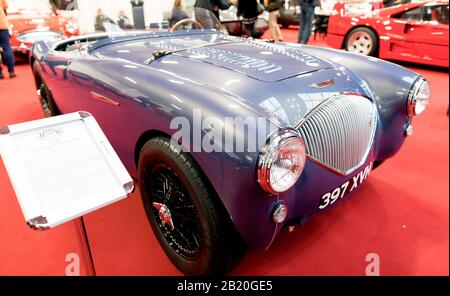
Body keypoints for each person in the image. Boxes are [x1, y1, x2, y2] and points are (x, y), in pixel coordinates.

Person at [0, 0, 15, 79]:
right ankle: (11, 71)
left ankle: (0, 73)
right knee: (7, 48)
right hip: (2, 24)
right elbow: (5, 6)